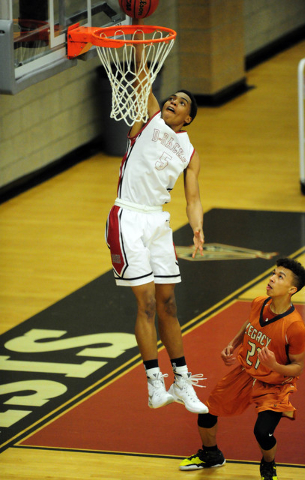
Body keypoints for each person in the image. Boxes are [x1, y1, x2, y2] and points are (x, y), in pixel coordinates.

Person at [105, 19, 208, 414]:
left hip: (158, 224)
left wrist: (197, 225)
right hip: (127, 217)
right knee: (146, 303)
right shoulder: (147, 120)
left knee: (169, 306)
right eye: (173, 97)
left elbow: (193, 195)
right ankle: (153, 383)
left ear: (188, 119)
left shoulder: (190, 152)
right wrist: (137, 36)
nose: (174, 101)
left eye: (182, 102)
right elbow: (142, 75)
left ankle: (182, 381)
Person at [179, 257, 305, 480]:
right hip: (245, 374)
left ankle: (268, 465)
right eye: (273, 273)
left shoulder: (295, 326)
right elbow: (250, 323)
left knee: (262, 433)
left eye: (280, 276)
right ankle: (211, 455)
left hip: (275, 383)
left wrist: (275, 365)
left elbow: (297, 368)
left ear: (292, 289)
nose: (272, 278)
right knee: (206, 412)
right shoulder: (259, 302)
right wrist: (234, 342)